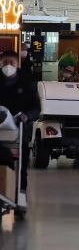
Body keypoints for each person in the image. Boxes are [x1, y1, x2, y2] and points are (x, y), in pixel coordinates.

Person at [0, 51, 40, 205]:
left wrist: (27, 116)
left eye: (11, 63)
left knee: (22, 167)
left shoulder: (26, 84)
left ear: (17, 65)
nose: (8, 66)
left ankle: (20, 194)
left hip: (20, 130)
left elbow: (36, 108)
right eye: (5, 63)